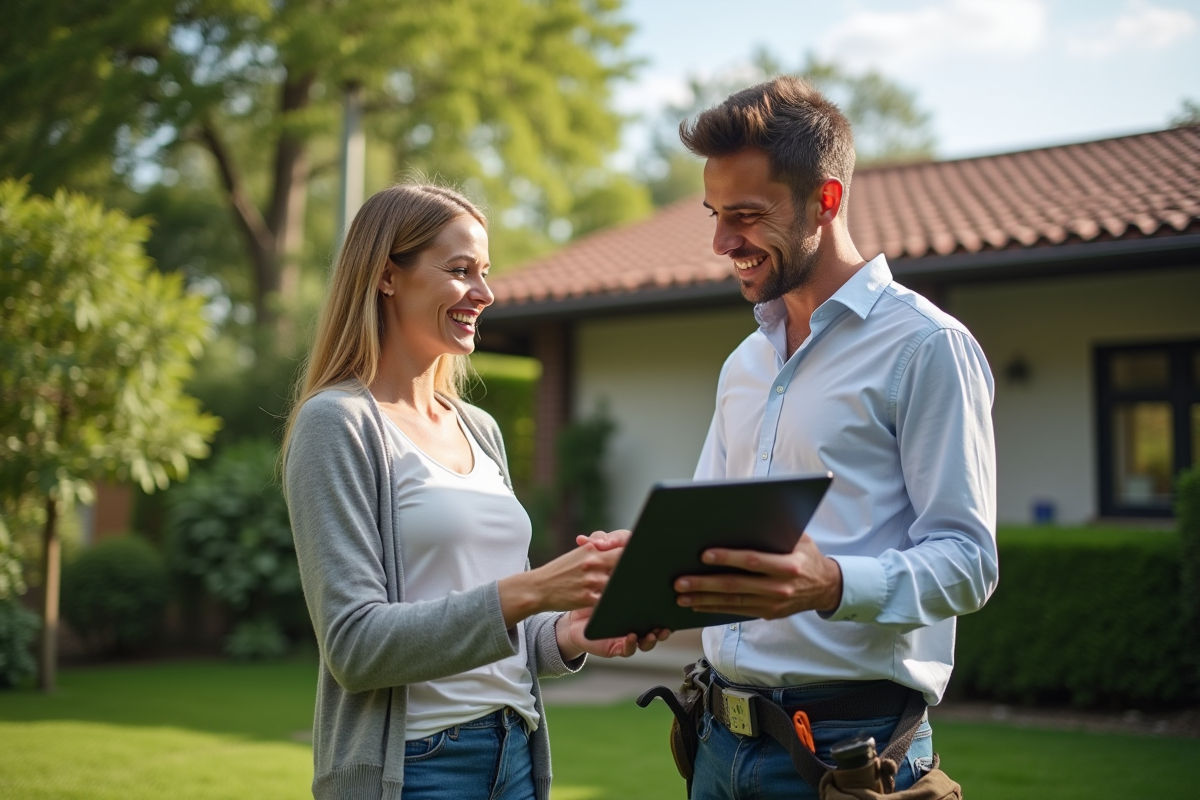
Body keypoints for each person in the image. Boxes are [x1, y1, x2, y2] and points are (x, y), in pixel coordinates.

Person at [591, 76, 997, 798]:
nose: (722, 242)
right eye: (715, 214)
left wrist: (831, 583)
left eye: (745, 215)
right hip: (715, 743)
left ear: (826, 199)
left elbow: (968, 562)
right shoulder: (744, 363)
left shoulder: (927, 346)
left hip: (848, 755)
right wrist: (648, 580)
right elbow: (714, 530)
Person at [282, 183, 665, 800]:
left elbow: (500, 630)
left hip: (514, 751)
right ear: (386, 276)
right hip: (417, 767)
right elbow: (354, 646)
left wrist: (569, 630)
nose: (484, 295)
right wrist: (536, 587)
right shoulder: (338, 424)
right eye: (461, 271)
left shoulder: (478, 428)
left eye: (485, 273)